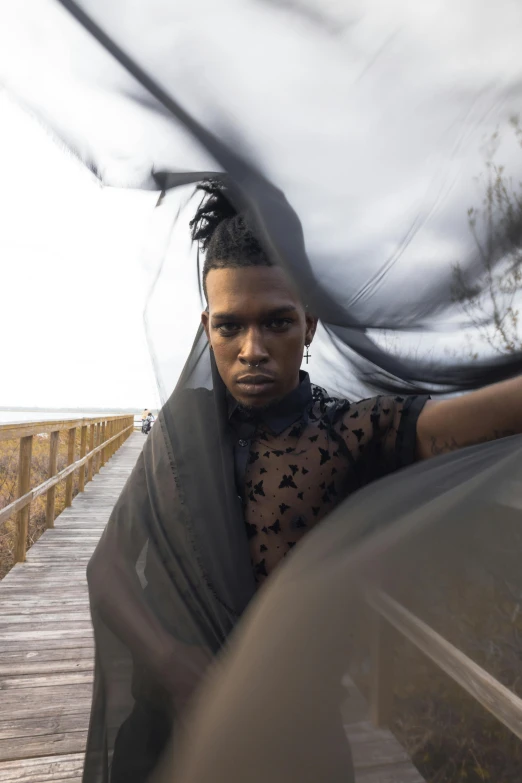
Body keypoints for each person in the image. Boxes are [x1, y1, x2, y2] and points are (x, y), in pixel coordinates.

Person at [85, 182, 522, 783]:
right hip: (168, 737)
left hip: (292, 752)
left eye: (277, 323)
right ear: (205, 326)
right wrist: (174, 665)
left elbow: (454, 429)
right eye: (229, 327)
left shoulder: (348, 431)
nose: (252, 350)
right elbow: (105, 570)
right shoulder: (177, 435)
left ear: (310, 323)